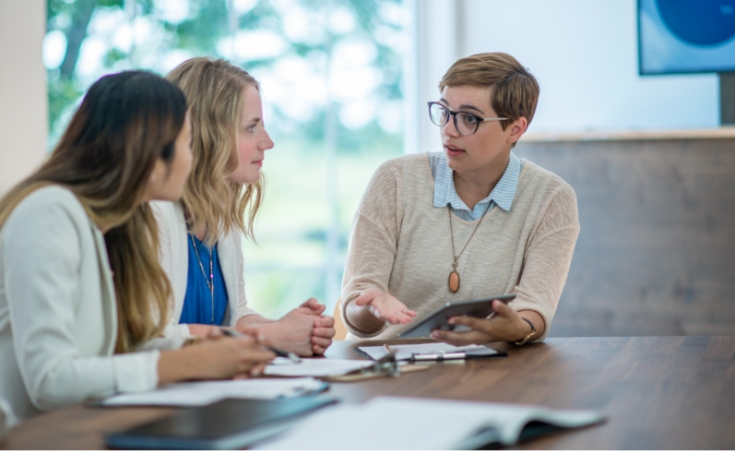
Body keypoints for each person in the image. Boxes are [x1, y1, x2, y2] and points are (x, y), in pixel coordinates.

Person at [0, 71, 274, 424]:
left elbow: (131, 347)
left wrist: (219, 350)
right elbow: (50, 382)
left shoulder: (110, 224)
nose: (194, 161)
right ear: (149, 153)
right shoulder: (49, 213)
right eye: (187, 144)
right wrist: (186, 361)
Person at [340, 52, 580, 345]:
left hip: (485, 373)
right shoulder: (395, 179)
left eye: (469, 118)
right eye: (444, 111)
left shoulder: (552, 198)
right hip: (387, 369)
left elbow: (535, 307)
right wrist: (371, 306)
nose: (448, 130)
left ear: (515, 128)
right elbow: (356, 307)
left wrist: (516, 327)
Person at [154, 58, 334, 356]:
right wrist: (271, 336)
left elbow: (235, 315)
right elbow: (154, 336)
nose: (268, 142)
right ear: (207, 135)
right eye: (252, 128)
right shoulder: (153, 214)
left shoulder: (220, 211)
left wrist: (294, 329)